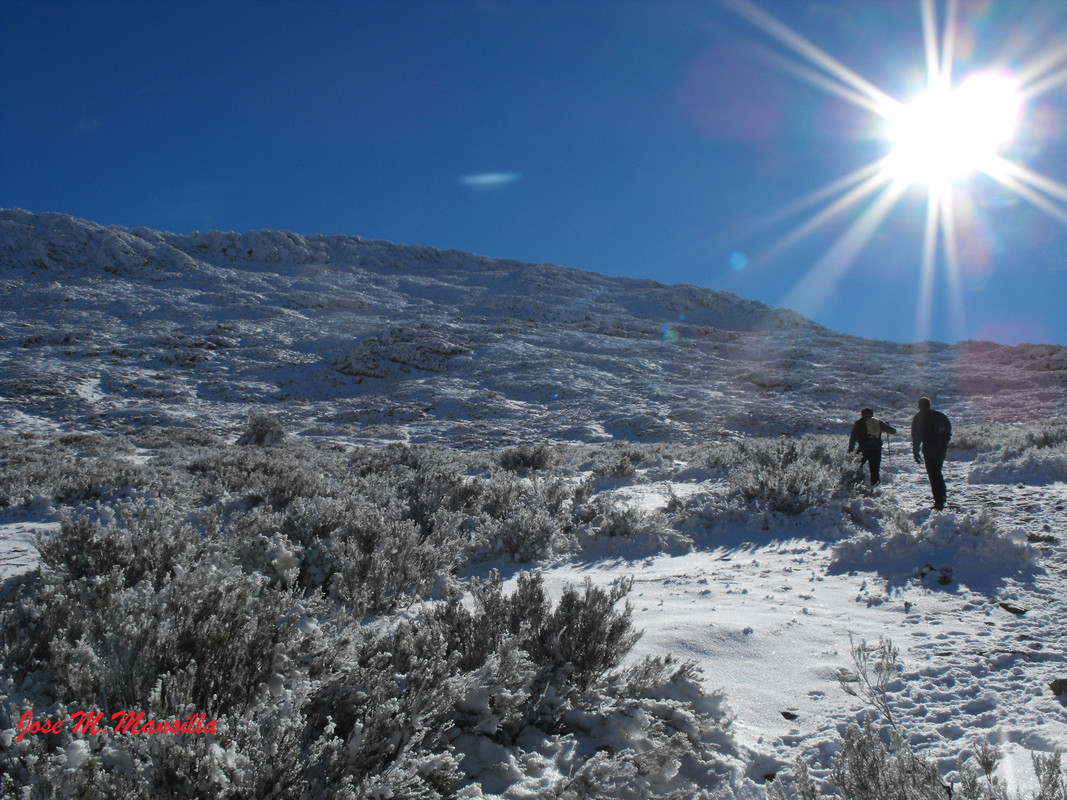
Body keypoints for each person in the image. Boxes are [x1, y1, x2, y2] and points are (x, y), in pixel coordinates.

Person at [911, 396, 952, 510]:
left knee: (933, 474)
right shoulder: (939, 415)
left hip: (929, 448)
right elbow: (948, 432)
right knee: (937, 472)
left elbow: (916, 436)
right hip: (941, 447)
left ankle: (939, 501)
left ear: (919, 405)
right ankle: (942, 497)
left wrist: (915, 451)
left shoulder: (919, 417)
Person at [848, 407, 897, 487]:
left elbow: (853, 438)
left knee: (857, 468)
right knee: (875, 471)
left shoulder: (858, 423)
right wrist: (887, 425)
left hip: (862, 450)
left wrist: (850, 450)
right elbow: (893, 431)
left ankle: (857, 485)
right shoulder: (878, 422)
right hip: (876, 450)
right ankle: (876, 489)